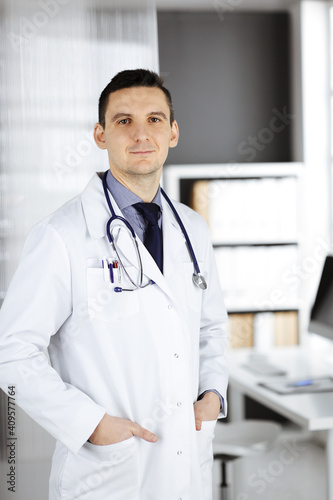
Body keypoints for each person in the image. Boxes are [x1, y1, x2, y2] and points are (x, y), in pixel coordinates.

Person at [0, 69, 228, 500]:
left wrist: (212, 393)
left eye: (155, 120)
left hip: (186, 465)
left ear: (173, 132)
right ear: (100, 135)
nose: (141, 134)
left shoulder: (193, 229)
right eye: (124, 121)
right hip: (109, 474)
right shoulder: (61, 235)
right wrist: (89, 425)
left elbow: (212, 328)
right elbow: (11, 352)